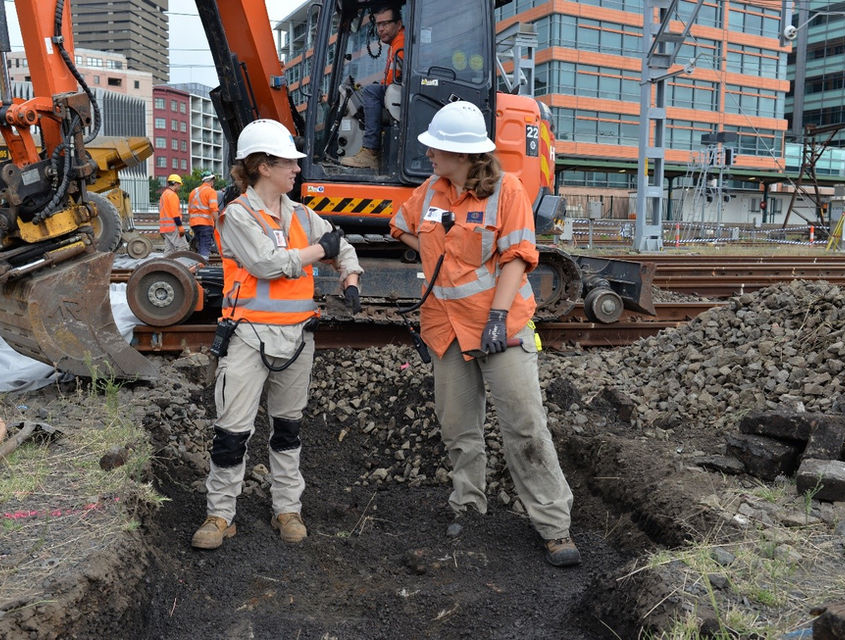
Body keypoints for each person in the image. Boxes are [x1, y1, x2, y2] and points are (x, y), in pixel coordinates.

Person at [388, 101, 581, 568]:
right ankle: (468, 508)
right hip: (445, 328)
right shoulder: (431, 191)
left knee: (524, 426)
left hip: (501, 325)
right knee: (459, 428)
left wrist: (496, 318)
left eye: (437, 149)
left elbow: (517, 257)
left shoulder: (506, 190)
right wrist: (432, 252)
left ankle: (554, 528)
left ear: (463, 155)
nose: (429, 155)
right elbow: (399, 227)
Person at [192, 118, 364, 550]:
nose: (297, 169)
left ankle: (287, 508)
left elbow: (341, 245)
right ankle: (220, 514)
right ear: (263, 166)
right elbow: (268, 264)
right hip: (249, 337)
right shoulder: (237, 215)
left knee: (288, 429)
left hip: (296, 339)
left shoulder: (302, 214)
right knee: (232, 431)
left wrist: (350, 275)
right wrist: (319, 251)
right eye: (289, 162)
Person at [340, 4, 404, 169]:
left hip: (402, 98)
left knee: (371, 92)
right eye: (378, 24)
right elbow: (391, 79)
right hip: (399, 93)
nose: (380, 29)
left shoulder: (401, 44)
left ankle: (370, 151)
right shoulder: (395, 45)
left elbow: (394, 81)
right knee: (372, 90)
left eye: (385, 24)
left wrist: (375, 89)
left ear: (398, 24)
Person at [188, 170, 219, 259]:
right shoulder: (211, 191)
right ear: (211, 180)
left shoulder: (193, 191)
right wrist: (218, 221)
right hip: (205, 223)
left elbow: (190, 209)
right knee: (205, 247)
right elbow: (213, 208)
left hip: (194, 224)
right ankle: (202, 265)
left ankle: (198, 263)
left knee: (200, 245)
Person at [159, 173, 188, 254]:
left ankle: (165, 266)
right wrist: (180, 226)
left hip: (165, 227)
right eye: (179, 184)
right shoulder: (172, 195)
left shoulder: (164, 194)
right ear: (175, 183)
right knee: (183, 247)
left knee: (169, 250)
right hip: (173, 227)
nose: (180, 186)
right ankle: (181, 265)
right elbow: (175, 213)